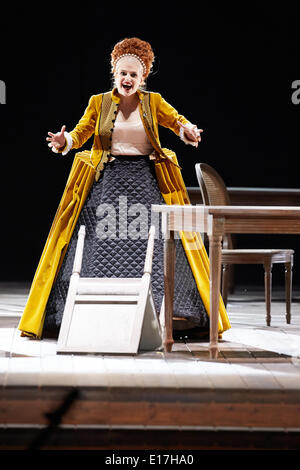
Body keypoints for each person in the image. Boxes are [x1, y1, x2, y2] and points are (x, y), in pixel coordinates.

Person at [18, 37, 230, 340]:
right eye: (123, 73)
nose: (127, 79)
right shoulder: (99, 102)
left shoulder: (153, 101)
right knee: (98, 243)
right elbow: (80, 134)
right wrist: (64, 143)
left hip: (145, 180)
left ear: (143, 77)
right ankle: (88, 314)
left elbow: (177, 122)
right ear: (114, 74)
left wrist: (188, 131)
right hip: (109, 179)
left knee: (157, 244)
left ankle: (164, 315)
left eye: (134, 74)